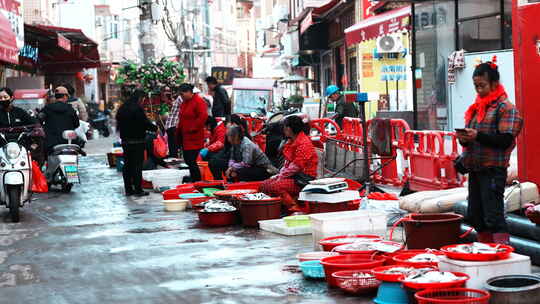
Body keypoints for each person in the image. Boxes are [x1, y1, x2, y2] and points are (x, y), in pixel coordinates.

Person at [456, 60, 523, 245]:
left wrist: (477, 135)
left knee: (493, 217)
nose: (478, 90)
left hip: (493, 170)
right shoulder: (477, 108)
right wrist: (465, 138)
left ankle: (502, 252)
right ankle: (485, 251)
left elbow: (505, 140)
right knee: (476, 215)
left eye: (482, 85)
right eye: (476, 86)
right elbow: (475, 137)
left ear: (494, 84)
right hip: (476, 169)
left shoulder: (506, 108)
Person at [261, 115, 318, 211]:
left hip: (303, 179)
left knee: (274, 186)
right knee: (264, 185)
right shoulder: (292, 141)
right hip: (294, 176)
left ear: (288, 128)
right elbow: (288, 163)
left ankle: (294, 208)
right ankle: (276, 208)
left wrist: (280, 177)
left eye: (284, 126)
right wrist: (279, 175)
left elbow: (295, 167)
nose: (283, 129)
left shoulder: (304, 144)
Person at [116, 88, 157, 197]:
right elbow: (144, 123)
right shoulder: (137, 109)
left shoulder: (123, 108)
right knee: (137, 165)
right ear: (140, 98)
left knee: (128, 165)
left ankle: (128, 189)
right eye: (143, 99)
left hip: (125, 141)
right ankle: (138, 189)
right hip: (137, 141)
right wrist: (155, 128)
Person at [0, 87, 45, 165]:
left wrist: (35, 129)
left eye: (5, 97)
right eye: (0, 98)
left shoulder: (19, 111)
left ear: (11, 98)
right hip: (1, 143)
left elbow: (34, 122)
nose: (3, 99)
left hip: (21, 144)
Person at [176, 83, 208, 182]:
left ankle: (197, 181)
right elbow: (181, 118)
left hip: (195, 137)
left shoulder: (199, 101)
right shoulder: (184, 102)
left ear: (190, 92)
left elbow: (203, 116)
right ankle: (194, 180)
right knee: (188, 159)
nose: (181, 96)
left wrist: (192, 128)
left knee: (193, 161)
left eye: (183, 94)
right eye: (180, 94)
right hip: (185, 136)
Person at [208, 114, 250, 179]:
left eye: (228, 123)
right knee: (213, 160)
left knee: (216, 162)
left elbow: (244, 159)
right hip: (232, 158)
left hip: (241, 161)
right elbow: (226, 148)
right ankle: (220, 182)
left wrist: (231, 164)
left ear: (234, 124)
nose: (226, 126)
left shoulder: (243, 136)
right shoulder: (230, 133)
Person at [40, 86, 80, 154]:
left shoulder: (47, 109)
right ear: (65, 96)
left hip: (51, 144)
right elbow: (77, 124)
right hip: (68, 143)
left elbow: (39, 120)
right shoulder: (70, 109)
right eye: (67, 96)